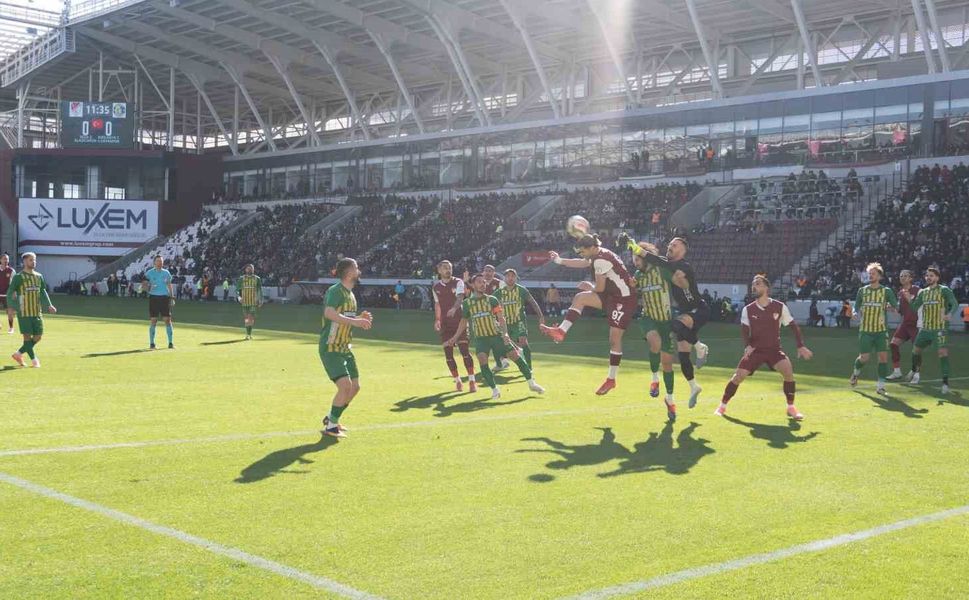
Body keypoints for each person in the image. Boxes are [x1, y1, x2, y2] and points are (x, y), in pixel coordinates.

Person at [540, 234, 636, 396]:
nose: (581, 255)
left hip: (623, 300)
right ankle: (561, 331)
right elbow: (583, 263)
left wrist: (588, 286)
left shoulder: (600, 260)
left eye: (583, 251)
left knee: (614, 340)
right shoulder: (598, 254)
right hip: (612, 296)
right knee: (580, 298)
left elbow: (599, 287)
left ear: (591, 248)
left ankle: (611, 380)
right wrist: (559, 261)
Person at [623, 234, 708, 408]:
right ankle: (692, 386)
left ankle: (699, 348)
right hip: (670, 314)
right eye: (669, 243)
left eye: (675, 245)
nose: (670, 246)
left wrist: (681, 280)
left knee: (674, 334)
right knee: (682, 355)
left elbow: (678, 280)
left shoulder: (679, 266)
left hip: (696, 309)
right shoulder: (654, 269)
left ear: (683, 250)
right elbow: (653, 262)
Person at [716, 275, 813, 420]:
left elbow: (794, 327)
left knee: (788, 372)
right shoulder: (748, 309)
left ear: (766, 287)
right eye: (753, 284)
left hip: (774, 350)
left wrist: (800, 346)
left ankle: (791, 408)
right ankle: (722, 406)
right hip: (756, 350)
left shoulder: (779, 307)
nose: (754, 286)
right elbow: (744, 330)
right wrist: (747, 346)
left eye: (758, 283)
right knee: (738, 377)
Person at [445, 273, 544, 399]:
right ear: (473, 285)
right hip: (481, 339)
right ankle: (495, 390)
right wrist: (455, 337)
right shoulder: (467, 303)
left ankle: (532, 383)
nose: (483, 284)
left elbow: (501, 318)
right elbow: (463, 322)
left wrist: (505, 333)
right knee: (482, 361)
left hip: (497, 336)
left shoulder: (492, 300)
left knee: (516, 357)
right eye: (479, 282)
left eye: (484, 282)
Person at [320, 258, 373, 439]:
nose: (359, 271)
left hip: (344, 347)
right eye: (356, 268)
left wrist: (360, 317)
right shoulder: (336, 291)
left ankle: (331, 419)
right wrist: (355, 321)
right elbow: (329, 313)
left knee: (355, 387)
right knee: (345, 386)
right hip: (331, 346)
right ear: (349, 272)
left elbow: (344, 317)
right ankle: (331, 427)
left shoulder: (350, 294)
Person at [632, 243, 677, 421]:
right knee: (655, 343)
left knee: (667, 364)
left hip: (666, 321)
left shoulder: (661, 270)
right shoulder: (638, 276)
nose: (635, 262)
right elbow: (633, 294)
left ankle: (670, 400)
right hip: (648, 318)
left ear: (646, 256)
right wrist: (632, 288)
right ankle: (654, 379)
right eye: (633, 259)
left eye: (637, 258)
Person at [906, 266, 958, 394]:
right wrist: (909, 300)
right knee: (915, 350)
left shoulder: (944, 290)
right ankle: (914, 369)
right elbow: (914, 307)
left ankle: (945, 384)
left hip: (939, 329)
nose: (929, 277)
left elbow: (955, 304)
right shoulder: (923, 292)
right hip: (925, 329)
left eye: (931, 275)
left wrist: (950, 314)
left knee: (942, 353)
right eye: (927, 275)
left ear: (937, 278)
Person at [849, 263, 898, 395]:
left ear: (880, 276)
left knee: (883, 358)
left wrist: (893, 308)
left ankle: (880, 386)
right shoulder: (862, 291)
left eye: (873, 273)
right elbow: (856, 305)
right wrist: (854, 312)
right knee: (864, 358)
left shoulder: (886, 291)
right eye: (869, 273)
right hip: (865, 330)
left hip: (881, 331)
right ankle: (855, 373)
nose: (871, 275)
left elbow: (896, 305)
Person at [433, 260, 477, 392]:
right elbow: (437, 304)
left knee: (464, 351)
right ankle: (457, 381)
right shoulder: (436, 287)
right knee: (448, 354)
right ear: (439, 270)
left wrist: (454, 308)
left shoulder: (458, 282)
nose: (448, 270)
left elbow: (460, 297)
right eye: (445, 268)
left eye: (450, 268)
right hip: (446, 325)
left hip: (459, 321)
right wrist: (437, 319)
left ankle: (472, 381)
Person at [8, 252, 57, 368]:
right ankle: (35, 360)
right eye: (31, 260)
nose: (33, 262)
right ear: (24, 261)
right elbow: (10, 293)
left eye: (34, 260)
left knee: (38, 336)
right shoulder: (18, 277)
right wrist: (15, 307)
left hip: (37, 312)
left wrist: (49, 305)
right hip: (24, 312)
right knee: (27, 337)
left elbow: (43, 291)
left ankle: (18, 354)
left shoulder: (39, 276)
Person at [496, 269, 544, 371]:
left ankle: (529, 368)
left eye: (512, 276)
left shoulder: (522, 290)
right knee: (503, 345)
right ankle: (502, 363)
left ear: (516, 278)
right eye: (508, 276)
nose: (510, 278)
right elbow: (490, 304)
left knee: (523, 341)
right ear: (504, 278)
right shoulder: (499, 292)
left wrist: (541, 316)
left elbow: (533, 302)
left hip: (519, 321)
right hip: (505, 323)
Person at [887, 270, 920, 380]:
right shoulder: (900, 292)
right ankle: (897, 372)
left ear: (911, 278)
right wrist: (891, 308)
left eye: (905, 276)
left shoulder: (918, 290)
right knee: (893, 344)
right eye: (901, 276)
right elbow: (901, 310)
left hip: (916, 324)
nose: (902, 278)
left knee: (916, 350)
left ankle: (915, 372)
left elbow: (920, 306)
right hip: (905, 324)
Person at [481, 264, 509, 371]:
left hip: (498, 315)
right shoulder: (480, 283)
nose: (488, 273)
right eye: (486, 271)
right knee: (494, 339)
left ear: (494, 273)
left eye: (490, 271)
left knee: (498, 339)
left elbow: (504, 298)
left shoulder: (499, 283)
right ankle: (503, 361)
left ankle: (503, 361)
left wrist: (501, 314)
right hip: (485, 317)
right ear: (483, 272)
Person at [145, 256, 175, 350]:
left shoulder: (166, 273)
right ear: (154, 262)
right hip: (154, 298)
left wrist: (172, 297)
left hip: (164, 298)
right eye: (158, 261)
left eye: (161, 261)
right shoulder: (149, 273)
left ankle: (170, 343)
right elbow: (144, 286)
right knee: (153, 320)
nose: (160, 263)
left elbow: (169, 285)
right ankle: (152, 343)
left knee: (167, 320)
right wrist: (150, 288)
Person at [236, 263, 263, 340]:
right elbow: (237, 290)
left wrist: (260, 299)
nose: (250, 269)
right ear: (245, 270)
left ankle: (248, 334)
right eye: (248, 268)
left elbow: (259, 290)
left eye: (251, 268)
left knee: (250, 317)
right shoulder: (241, 279)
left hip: (253, 302)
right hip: (244, 302)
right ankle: (248, 334)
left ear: (253, 269)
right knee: (246, 318)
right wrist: (239, 297)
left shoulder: (257, 279)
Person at [0, 253, 15, 334]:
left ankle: (11, 328)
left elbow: (15, 284)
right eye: (4, 259)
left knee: (10, 312)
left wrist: (14, 292)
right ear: (0, 260)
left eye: (7, 259)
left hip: (7, 295)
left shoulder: (12, 271)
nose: (6, 260)